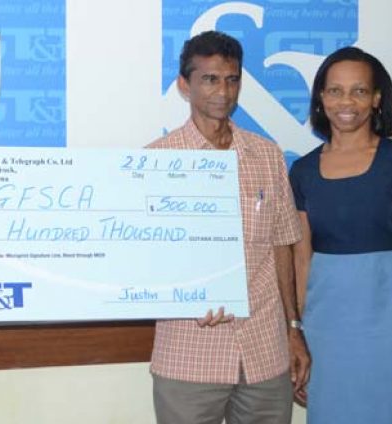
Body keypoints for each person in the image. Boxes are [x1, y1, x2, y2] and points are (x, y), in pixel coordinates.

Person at [146, 31, 310, 424]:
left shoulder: (267, 155)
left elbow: (283, 246)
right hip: (189, 353)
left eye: (231, 79)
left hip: (265, 352)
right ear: (184, 86)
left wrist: (293, 328)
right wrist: (183, 298)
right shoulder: (155, 162)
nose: (223, 91)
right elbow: (147, 260)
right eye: (209, 79)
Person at [290, 46, 392, 423]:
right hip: (325, 336)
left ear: (376, 99)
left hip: (390, 334)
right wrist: (299, 338)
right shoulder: (302, 171)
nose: (346, 101)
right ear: (321, 98)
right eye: (334, 90)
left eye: (359, 90)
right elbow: (302, 262)